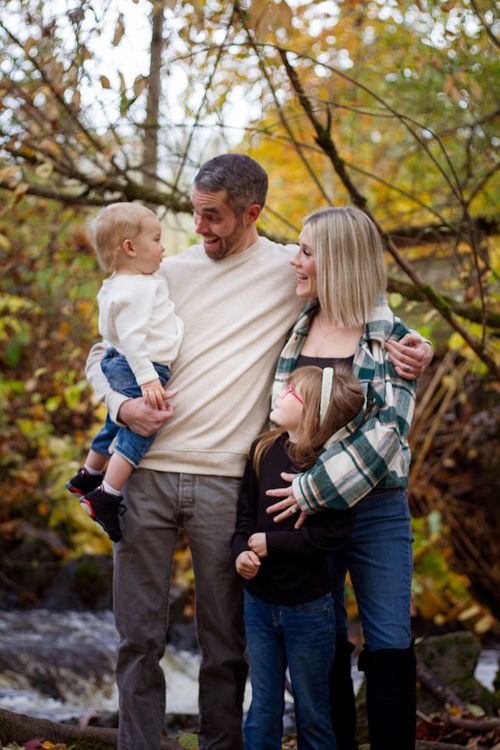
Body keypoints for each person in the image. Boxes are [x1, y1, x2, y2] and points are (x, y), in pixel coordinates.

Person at [85, 154, 432, 750]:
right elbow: (103, 352)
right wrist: (120, 408)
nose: (199, 228)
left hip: (247, 485)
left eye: (213, 216)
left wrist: (415, 345)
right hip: (163, 474)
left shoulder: (292, 272)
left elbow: (360, 297)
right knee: (140, 639)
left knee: (233, 644)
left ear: (251, 213)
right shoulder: (164, 272)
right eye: (194, 214)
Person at [265, 206, 427, 750]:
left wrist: (310, 491)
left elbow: (387, 434)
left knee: (389, 638)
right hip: (305, 512)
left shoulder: (393, 341)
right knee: (323, 636)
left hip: (374, 508)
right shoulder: (296, 328)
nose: (295, 259)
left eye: (307, 251)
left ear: (338, 260)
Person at [232, 364, 364, 750]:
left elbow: (332, 536)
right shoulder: (263, 450)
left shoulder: (332, 468)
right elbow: (244, 518)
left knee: (312, 711)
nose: (280, 394)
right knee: (263, 706)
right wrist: (241, 553)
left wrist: (272, 544)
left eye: (292, 392)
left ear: (314, 414)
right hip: (259, 603)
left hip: (308, 608)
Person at [66, 203, 183, 542]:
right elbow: (132, 339)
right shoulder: (138, 288)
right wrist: (148, 378)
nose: (163, 249)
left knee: (114, 420)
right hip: (141, 367)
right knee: (141, 429)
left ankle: (89, 472)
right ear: (130, 247)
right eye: (156, 240)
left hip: (118, 362)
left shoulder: (118, 284)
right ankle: (107, 494)